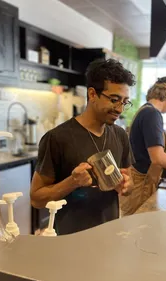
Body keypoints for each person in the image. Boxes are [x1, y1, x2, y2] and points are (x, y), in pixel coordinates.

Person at [30, 59, 135, 235]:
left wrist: (126, 185)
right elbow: (36, 199)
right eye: (114, 100)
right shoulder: (57, 138)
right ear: (93, 94)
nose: (120, 109)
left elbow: (129, 184)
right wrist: (72, 182)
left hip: (109, 234)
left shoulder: (120, 135)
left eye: (124, 102)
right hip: (70, 239)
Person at [120, 77, 166, 216]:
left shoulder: (146, 111)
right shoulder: (152, 114)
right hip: (140, 183)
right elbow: (158, 158)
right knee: (134, 227)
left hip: (140, 180)